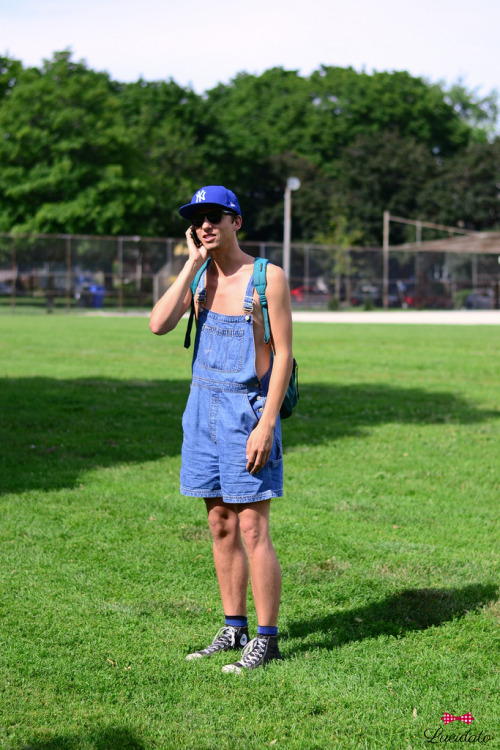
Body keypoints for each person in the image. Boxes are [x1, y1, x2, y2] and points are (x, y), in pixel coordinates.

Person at [149, 185, 293, 673]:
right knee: (220, 523)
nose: (206, 225)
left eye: (216, 217)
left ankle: (267, 638)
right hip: (202, 411)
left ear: (236, 221)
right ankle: (234, 628)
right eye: (198, 219)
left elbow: (283, 357)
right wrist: (190, 265)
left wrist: (266, 425)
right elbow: (157, 324)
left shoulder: (266, 276)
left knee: (253, 525)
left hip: (246, 412)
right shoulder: (197, 278)